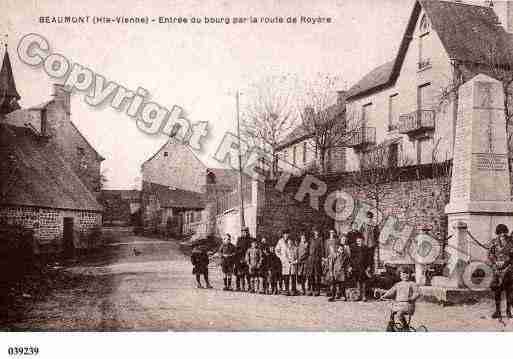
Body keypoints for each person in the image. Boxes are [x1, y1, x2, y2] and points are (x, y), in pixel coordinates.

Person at [488, 224, 513, 318]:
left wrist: (507, 262)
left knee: (510, 291)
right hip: (497, 270)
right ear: (497, 233)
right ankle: (497, 311)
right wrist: (495, 263)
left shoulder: (511, 242)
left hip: (509, 269)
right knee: (497, 291)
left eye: (504, 232)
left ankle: (508, 311)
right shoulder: (494, 242)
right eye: (500, 232)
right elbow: (490, 255)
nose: (502, 234)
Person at [352, 233, 372, 301]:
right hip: (356, 267)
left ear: (362, 241)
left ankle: (364, 296)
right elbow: (352, 258)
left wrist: (368, 266)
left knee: (363, 282)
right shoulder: (354, 248)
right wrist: (352, 266)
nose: (358, 242)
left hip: (364, 267)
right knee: (357, 281)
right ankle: (358, 295)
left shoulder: (366, 248)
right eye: (357, 241)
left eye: (360, 241)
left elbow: (369, 258)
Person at [306, 227, 325, 296]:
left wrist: (322, 257)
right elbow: (308, 249)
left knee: (317, 275)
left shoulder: (320, 239)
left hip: (317, 259)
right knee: (311, 275)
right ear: (313, 232)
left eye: (317, 231)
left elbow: (322, 249)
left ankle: (317, 290)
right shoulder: (310, 239)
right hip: (311, 259)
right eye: (315, 231)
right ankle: (311, 289)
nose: (316, 232)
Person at [235, 227, 253, 291]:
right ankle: (238, 287)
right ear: (241, 232)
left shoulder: (250, 240)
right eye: (243, 232)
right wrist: (240, 258)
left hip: (248, 259)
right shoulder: (239, 240)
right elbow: (237, 250)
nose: (244, 233)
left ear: (247, 232)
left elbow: (251, 250)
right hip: (240, 259)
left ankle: (249, 287)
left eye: (246, 232)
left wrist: (247, 259)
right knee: (239, 274)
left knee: (248, 274)